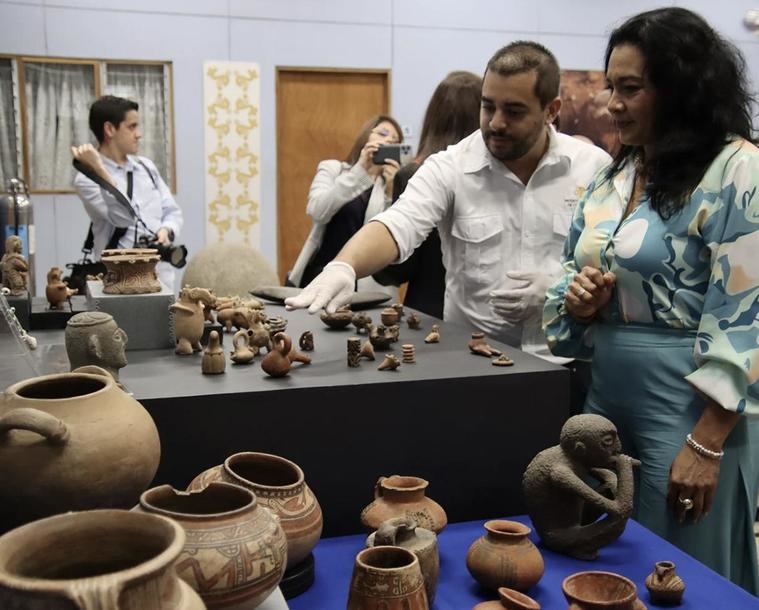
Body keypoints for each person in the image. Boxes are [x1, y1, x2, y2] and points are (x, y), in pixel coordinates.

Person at [542, 7, 759, 594]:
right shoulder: (619, 172)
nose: (613, 102)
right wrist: (580, 301)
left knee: (680, 570)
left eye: (631, 88)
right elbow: (568, 272)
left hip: (687, 404)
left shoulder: (738, 169)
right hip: (605, 396)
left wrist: (707, 441)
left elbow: (749, 314)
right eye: (612, 86)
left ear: (683, 86)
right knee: (606, 561)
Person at [286, 41, 611, 410]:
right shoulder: (451, 167)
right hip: (473, 368)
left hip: (565, 368)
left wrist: (558, 290)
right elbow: (399, 223)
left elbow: (611, 260)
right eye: (488, 107)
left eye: (514, 111)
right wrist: (344, 267)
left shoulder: (592, 167)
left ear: (551, 110)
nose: (496, 122)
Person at [372, 71, 482, 318]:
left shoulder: (415, 176)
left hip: (429, 315)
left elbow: (396, 271)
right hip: (485, 318)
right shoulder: (493, 180)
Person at [72, 95, 183, 291]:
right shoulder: (87, 179)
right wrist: (99, 168)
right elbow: (123, 218)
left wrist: (166, 230)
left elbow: (172, 210)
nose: (139, 134)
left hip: (161, 276)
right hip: (120, 282)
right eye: (132, 127)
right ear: (109, 129)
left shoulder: (146, 167)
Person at [287, 115, 403, 294]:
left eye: (395, 141)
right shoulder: (333, 169)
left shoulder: (391, 185)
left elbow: (392, 234)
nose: (388, 140)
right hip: (320, 273)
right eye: (383, 133)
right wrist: (359, 172)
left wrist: (391, 192)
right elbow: (317, 211)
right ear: (366, 136)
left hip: (364, 283)